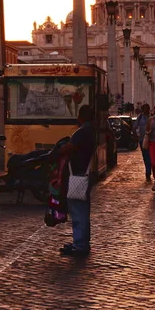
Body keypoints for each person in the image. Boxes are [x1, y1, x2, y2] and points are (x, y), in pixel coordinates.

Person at [59, 104, 96, 256]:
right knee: (82, 210)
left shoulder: (82, 132)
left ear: (80, 116)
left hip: (78, 175)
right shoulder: (91, 130)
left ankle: (80, 244)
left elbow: (68, 148)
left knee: (78, 210)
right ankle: (81, 242)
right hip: (84, 174)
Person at [133, 103, 152, 181]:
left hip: (152, 139)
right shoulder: (140, 117)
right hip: (142, 140)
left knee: (151, 156)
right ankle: (148, 172)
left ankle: (149, 170)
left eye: (147, 108)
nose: (146, 110)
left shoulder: (152, 117)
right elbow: (134, 127)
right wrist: (135, 136)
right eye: (144, 108)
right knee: (146, 156)